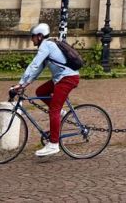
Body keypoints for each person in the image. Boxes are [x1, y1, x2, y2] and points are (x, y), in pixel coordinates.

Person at [9, 23, 79, 158]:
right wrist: (23, 85)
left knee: (54, 110)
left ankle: (53, 144)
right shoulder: (47, 45)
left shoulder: (46, 46)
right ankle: (62, 114)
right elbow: (38, 69)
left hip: (68, 79)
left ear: (40, 36)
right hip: (60, 78)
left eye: (33, 37)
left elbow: (34, 65)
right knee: (41, 92)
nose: (31, 40)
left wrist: (21, 83)